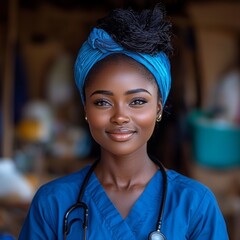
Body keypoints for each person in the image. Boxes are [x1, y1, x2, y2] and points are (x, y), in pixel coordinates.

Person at [19, 3, 229, 240]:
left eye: (137, 101)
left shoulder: (194, 206)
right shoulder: (52, 204)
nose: (120, 116)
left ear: (158, 107)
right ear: (86, 108)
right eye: (102, 102)